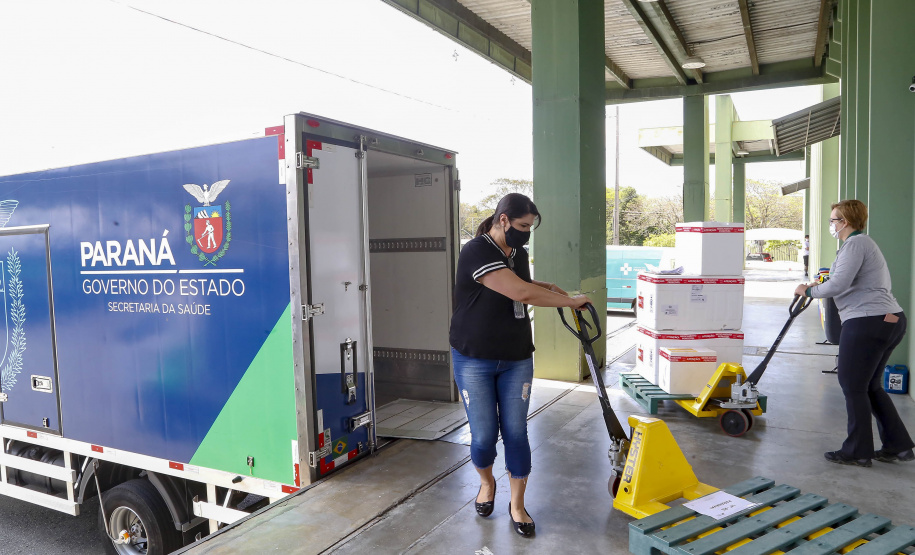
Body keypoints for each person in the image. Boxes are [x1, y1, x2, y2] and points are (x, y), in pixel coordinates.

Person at [450, 193, 591, 538]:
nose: (527, 233)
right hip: (474, 356)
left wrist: (549, 287)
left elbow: (523, 284)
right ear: (503, 220)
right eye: (523, 226)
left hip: (516, 357)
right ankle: (487, 484)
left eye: (530, 227)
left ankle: (517, 505)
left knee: (515, 432)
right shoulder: (476, 251)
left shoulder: (517, 253)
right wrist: (570, 301)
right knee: (484, 435)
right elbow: (519, 293)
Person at [795, 200, 914, 467]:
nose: (831, 224)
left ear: (845, 222)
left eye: (833, 220)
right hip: (889, 320)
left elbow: (838, 284)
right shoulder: (862, 245)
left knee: (852, 385)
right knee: (870, 385)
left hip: (867, 322)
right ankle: (898, 445)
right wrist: (821, 283)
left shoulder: (856, 244)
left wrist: (808, 290)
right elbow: (844, 280)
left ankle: (858, 451)